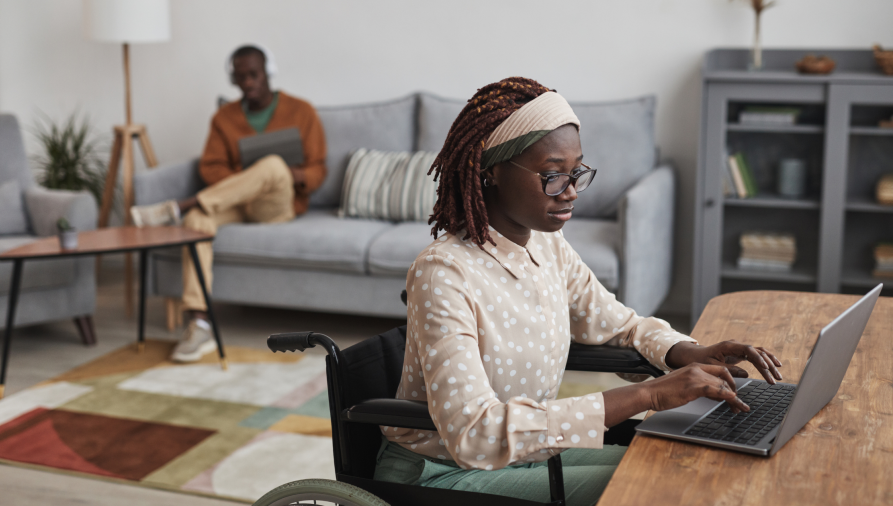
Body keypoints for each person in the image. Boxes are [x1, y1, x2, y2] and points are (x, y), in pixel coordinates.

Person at [373, 77, 783, 505]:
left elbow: (620, 326)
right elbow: (475, 434)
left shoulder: (546, 244)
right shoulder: (443, 272)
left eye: (577, 173)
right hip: (443, 474)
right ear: (492, 171)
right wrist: (648, 394)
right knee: (665, 483)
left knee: (685, 459)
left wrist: (687, 352)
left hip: (524, 456)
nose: (570, 192)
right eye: (552, 176)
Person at [131, 45, 327, 362]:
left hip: (276, 203)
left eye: (254, 75)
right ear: (233, 80)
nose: (248, 82)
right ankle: (199, 323)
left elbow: (319, 168)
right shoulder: (224, 118)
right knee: (196, 220)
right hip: (236, 201)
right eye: (240, 77)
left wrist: (291, 174)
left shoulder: (301, 111)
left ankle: (179, 206)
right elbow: (210, 167)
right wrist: (247, 177)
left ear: (268, 73)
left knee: (274, 165)